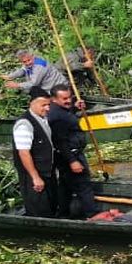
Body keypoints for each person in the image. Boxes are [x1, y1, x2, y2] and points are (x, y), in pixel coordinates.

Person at [47, 84, 98, 219]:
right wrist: (73, 161)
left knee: (65, 186)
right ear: (54, 99)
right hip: (70, 155)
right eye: (64, 99)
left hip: (68, 155)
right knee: (84, 186)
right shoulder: (57, 117)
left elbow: (67, 117)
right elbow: (60, 141)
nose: (68, 101)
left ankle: (63, 214)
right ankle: (92, 216)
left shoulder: (62, 111)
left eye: (69, 97)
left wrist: (75, 108)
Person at [11, 90, 57, 218]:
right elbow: (24, 153)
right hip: (33, 174)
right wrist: (35, 177)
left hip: (47, 172)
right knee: (39, 209)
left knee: (51, 204)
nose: (47, 108)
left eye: (48, 105)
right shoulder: (24, 124)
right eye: (43, 105)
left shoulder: (43, 118)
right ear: (32, 104)